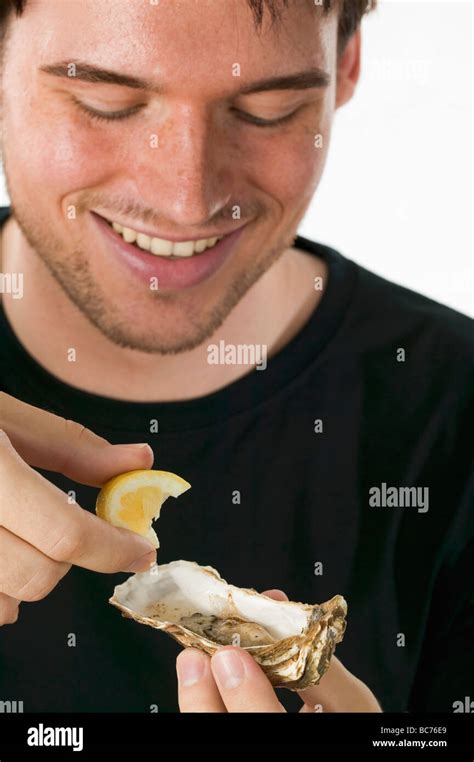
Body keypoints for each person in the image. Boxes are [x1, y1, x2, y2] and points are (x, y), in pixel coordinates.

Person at [0, 0, 472, 715]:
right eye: (106, 102)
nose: (186, 199)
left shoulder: (454, 408)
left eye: (269, 109)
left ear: (345, 69)